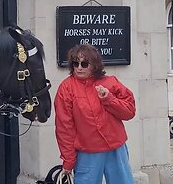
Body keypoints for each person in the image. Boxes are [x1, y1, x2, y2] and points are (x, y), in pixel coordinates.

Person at [54, 44, 136, 184]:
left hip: (115, 149)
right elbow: (64, 128)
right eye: (75, 63)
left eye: (84, 64)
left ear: (94, 65)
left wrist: (109, 99)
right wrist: (68, 160)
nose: (79, 67)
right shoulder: (66, 88)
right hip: (87, 152)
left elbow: (129, 111)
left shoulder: (110, 82)